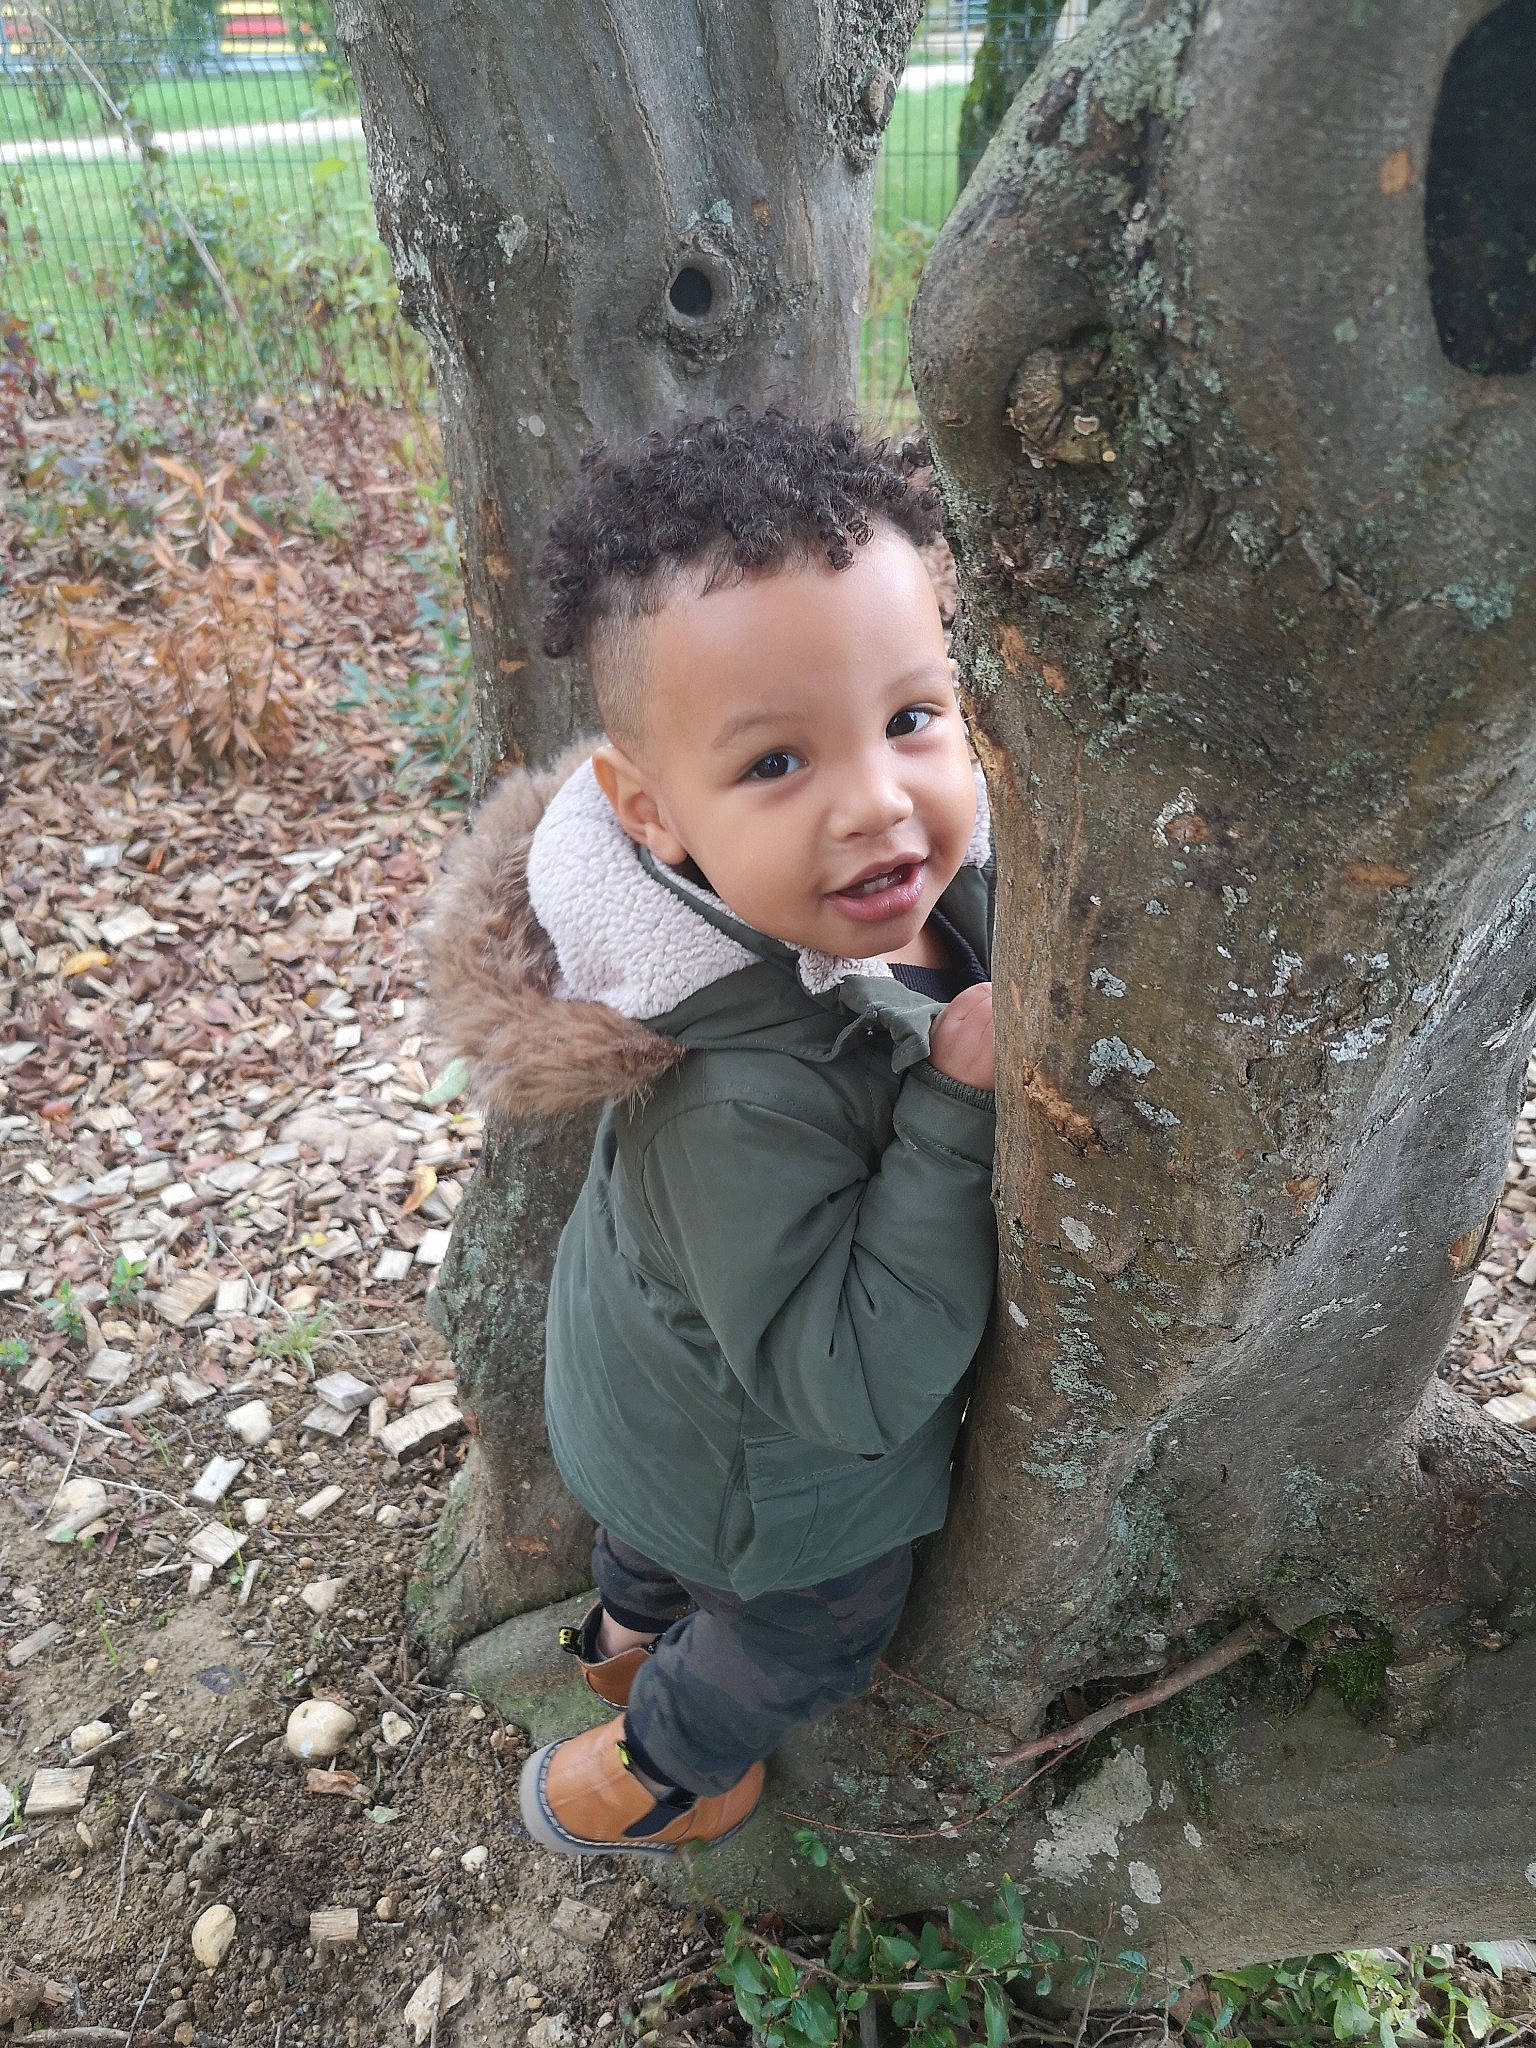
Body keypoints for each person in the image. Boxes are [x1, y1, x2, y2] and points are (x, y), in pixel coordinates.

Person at [425, 403, 998, 1860]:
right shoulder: (733, 1092)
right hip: (768, 1480)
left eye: (911, 719)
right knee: (812, 1629)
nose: (879, 805)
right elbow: (855, 1385)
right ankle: (675, 1756)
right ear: (649, 809)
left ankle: (628, 1628)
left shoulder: (909, 889)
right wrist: (952, 1097)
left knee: (655, 1555)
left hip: (659, 1407)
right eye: (775, 766)